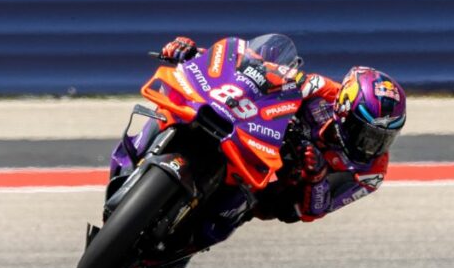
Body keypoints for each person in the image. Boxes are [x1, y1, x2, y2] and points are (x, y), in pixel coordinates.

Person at [159, 34, 406, 228]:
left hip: (276, 186)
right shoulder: (322, 91)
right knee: (182, 111)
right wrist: (197, 55)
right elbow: (258, 74)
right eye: (365, 133)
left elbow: (313, 211)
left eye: (382, 138)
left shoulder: (371, 172)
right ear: (343, 109)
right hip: (253, 134)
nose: (370, 146)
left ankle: (188, 242)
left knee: (241, 208)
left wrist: (317, 175)